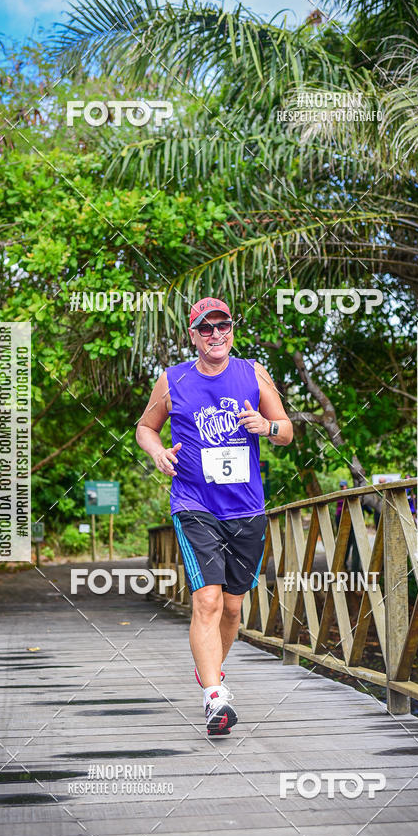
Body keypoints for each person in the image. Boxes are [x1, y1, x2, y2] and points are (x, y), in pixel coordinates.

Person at [136, 297, 293, 736]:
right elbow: (145, 428)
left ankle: (211, 673)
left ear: (231, 330)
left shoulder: (254, 373)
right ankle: (214, 698)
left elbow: (287, 429)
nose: (216, 335)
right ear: (193, 336)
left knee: (231, 608)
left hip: (246, 509)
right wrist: (158, 452)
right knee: (206, 599)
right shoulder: (172, 380)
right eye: (206, 329)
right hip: (194, 504)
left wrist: (267, 427)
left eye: (222, 326)